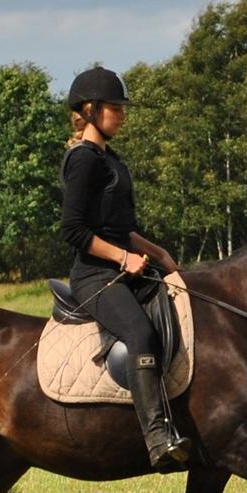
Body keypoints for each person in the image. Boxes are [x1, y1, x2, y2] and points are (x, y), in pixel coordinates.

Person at [59, 66, 191, 472]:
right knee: (139, 332)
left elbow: (124, 230)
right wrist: (121, 258)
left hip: (126, 266)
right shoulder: (83, 160)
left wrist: (161, 255)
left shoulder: (111, 159)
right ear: (92, 109)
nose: (122, 114)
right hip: (95, 276)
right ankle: (156, 437)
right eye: (115, 107)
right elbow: (74, 231)